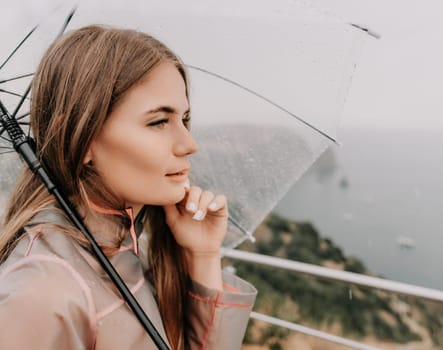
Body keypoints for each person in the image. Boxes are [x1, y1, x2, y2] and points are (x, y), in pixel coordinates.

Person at [0, 25, 256, 349]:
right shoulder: (43, 295)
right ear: (82, 137)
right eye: (158, 121)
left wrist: (202, 255)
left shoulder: (133, 250)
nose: (189, 143)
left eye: (184, 119)